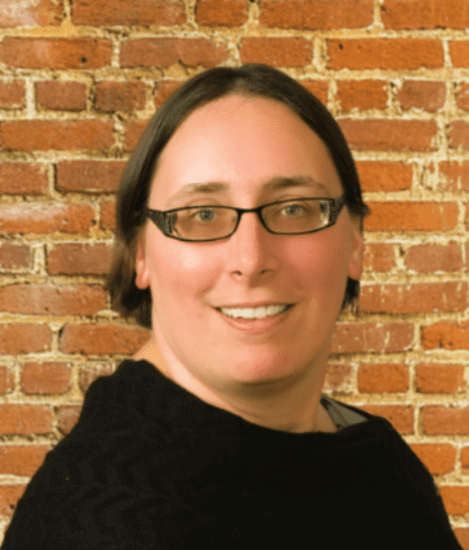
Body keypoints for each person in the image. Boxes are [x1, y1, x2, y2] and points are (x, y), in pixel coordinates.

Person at [2, 64, 462, 550]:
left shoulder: (374, 458)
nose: (251, 260)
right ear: (140, 254)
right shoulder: (98, 526)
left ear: (355, 243)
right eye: (201, 215)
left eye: (293, 208)